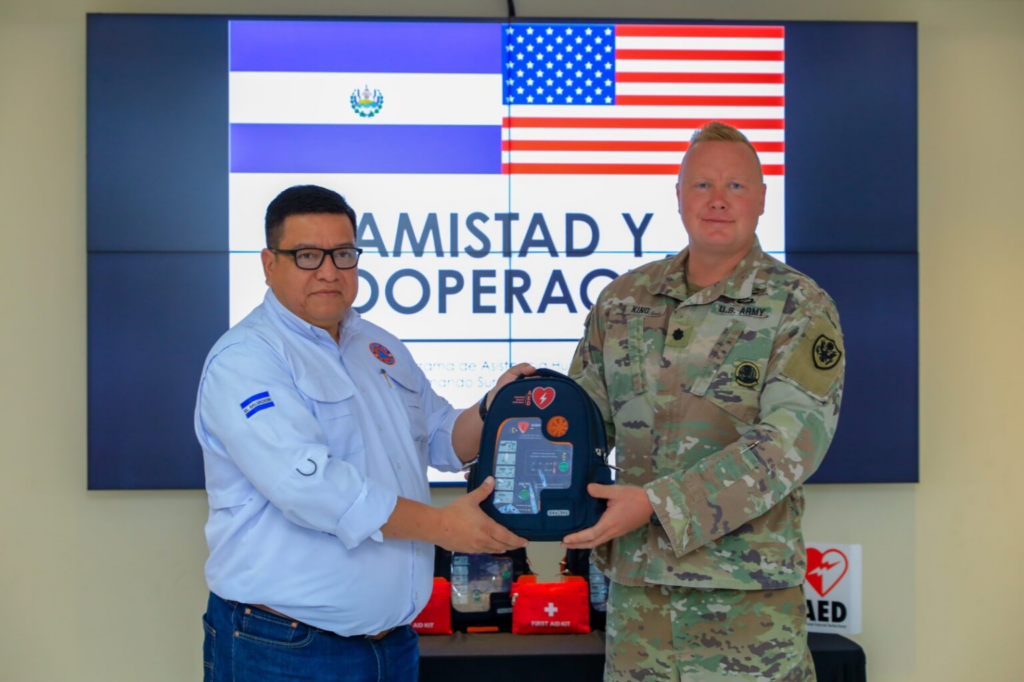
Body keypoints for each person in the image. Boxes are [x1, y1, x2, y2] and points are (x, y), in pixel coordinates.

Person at [195, 184, 530, 682]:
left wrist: (495, 408)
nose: (329, 271)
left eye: (343, 254)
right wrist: (442, 527)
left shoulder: (378, 346)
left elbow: (441, 436)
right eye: (307, 255)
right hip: (284, 648)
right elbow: (311, 489)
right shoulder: (246, 359)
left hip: (393, 645)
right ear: (269, 263)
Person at [563, 122, 845, 681]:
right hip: (638, 607)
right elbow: (582, 426)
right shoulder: (622, 301)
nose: (718, 200)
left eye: (735, 186)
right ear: (678, 195)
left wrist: (658, 504)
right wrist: (520, 420)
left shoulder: (800, 306)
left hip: (747, 611)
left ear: (761, 199)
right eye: (702, 185)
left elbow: (790, 447)